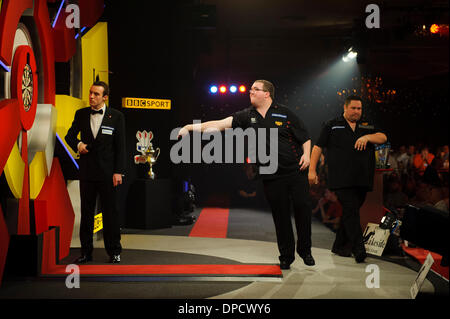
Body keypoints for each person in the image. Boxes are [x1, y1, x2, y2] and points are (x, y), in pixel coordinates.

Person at [178, 80, 315, 269]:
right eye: (250, 89)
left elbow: (305, 136)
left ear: (267, 94)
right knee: (280, 216)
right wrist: (189, 128)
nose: (250, 92)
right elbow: (219, 124)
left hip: (295, 170)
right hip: (270, 175)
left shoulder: (284, 113)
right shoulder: (246, 115)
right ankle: (286, 256)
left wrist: (307, 155)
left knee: (302, 208)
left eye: (255, 89)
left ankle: (305, 250)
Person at [308, 95, 387, 263]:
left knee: (351, 211)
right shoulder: (331, 125)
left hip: (363, 178)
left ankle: (339, 245)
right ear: (345, 108)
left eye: (359, 109)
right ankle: (359, 248)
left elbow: (383, 137)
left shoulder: (367, 124)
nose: (357, 111)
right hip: (341, 178)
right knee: (351, 209)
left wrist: (367, 137)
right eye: (353, 108)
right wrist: (312, 170)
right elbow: (317, 147)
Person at [65, 81, 126, 264]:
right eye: (90, 93)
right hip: (87, 173)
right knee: (87, 213)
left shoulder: (116, 116)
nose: (91, 97)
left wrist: (118, 172)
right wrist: (78, 145)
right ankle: (86, 252)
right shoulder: (81, 114)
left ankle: (114, 251)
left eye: (96, 94)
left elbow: (120, 147)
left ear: (105, 97)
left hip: (109, 175)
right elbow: (69, 136)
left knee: (110, 214)